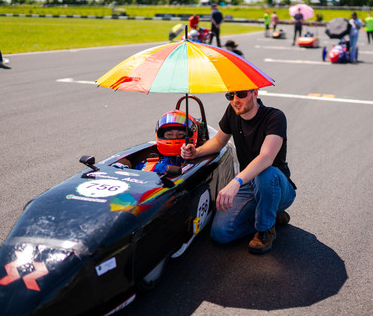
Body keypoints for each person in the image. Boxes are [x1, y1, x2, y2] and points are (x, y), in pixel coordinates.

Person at [181, 89, 296, 255]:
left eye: (241, 94)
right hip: (248, 183)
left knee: (265, 173)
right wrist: (196, 152)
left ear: (254, 92)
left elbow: (266, 157)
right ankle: (268, 214)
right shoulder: (232, 112)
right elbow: (219, 142)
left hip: (277, 186)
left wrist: (236, 181)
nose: (235, 100)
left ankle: (266, 229)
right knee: (220, 233)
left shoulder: (275, 117)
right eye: (230, 95)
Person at [112, 110, 198, 172]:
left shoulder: (194, 161)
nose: (174, 138)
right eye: (169, 135)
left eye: (180, 134)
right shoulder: (151, 160)